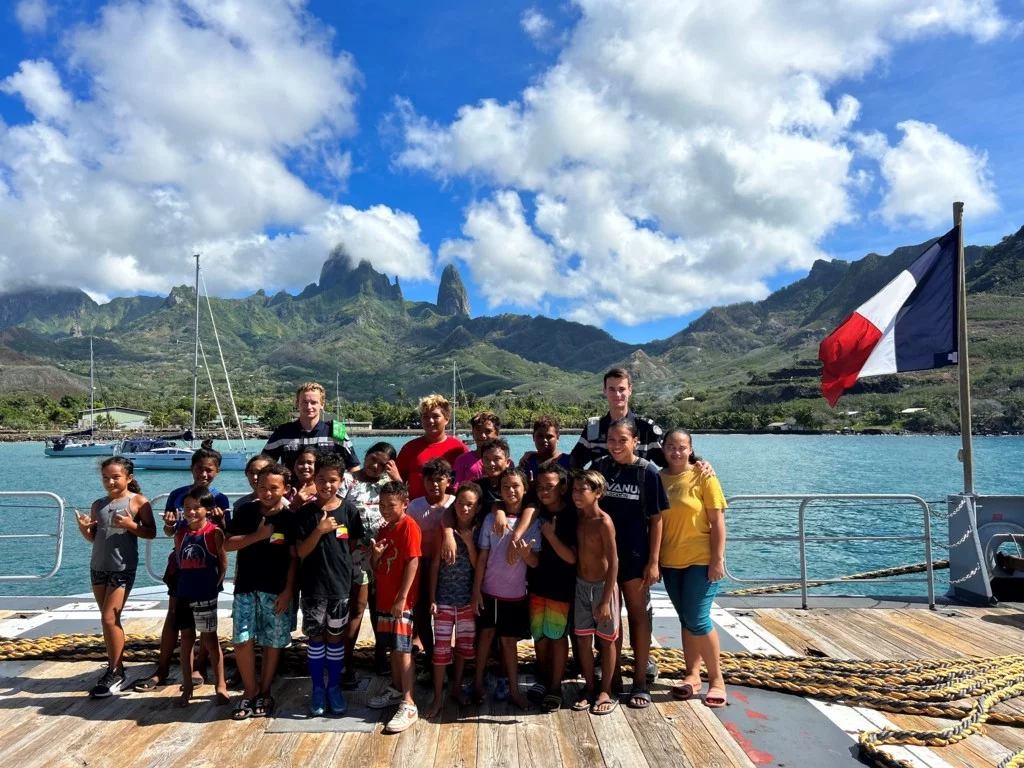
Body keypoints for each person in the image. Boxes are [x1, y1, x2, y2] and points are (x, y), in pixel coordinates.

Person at [136, 446, 230, 692]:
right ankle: (163, 668)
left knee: (205, 624)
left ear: (217, 472)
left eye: (209, 470)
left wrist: (218, 577)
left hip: (205, 570)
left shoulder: (220, 499)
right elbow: (171, 532)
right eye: (199, 469)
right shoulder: (177, 495)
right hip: (180, 568)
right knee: (174, 617)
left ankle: (199, 666)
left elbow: (223, 538)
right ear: (191, 469)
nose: (204, 474)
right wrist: (168, 526)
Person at [592, 417, 667, 710]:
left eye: (622, 440)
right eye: (611, 440)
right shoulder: (601, 468)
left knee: (638, 616)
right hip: (606, 559)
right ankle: (613, 680)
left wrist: (654, 561)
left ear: (635, 441)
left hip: (636, 557)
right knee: (611, 618)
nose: (616, 446)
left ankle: (639, 681)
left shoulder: (647, 472)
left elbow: (657, 519)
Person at [75, 456, 156, 697]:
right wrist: (83, 529)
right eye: (105, 478)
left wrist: (132, 526)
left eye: (115, 477)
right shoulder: (98, 504)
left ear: (129, 478)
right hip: (98, 566)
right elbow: (95, 538)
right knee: (106, 619)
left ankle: (116, 670)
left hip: (123, 567)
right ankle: (115, 666)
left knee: (110, 618)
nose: (110, 481)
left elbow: (150, 533)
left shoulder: (138, 502)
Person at [659, 428, 728, 708]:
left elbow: (718, 521)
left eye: (682, 447)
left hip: (701, 560)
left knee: (698, 619)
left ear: (691, 449)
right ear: (663, 449)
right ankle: (692, 675)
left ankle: (717, 680)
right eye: (671, 446)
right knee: (686, 619)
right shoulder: (657, 478)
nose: (677, 451)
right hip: (670, 561)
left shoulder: (704, 476)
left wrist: (717, 558)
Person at [224, 463, 297, 721]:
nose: (267, 492)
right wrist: (258, 535)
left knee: (271, 642)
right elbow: (227, 544)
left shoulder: (290, 518)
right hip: (246, 587)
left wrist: (288, 591)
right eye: (262, 486)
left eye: (273, 488)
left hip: (275, 590)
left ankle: (265, 690)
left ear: (286, 489)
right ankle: (249, 689)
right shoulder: (246, 511)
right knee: (242, 640)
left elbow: (293, 558)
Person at [294, 453, 365, 717]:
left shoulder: (348, 510)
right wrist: (320, 530)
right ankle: (317, 688)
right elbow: (301, 551)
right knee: (315, 639)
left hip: (339, 587)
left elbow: (353, 544)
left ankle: (333, 687)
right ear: (313, 479)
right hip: (313, 587)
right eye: (321, 479)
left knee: (335, 639)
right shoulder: (305, 513)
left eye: (332, 480)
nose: (326, 485)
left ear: (341, 480)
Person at [471, 468, 540, 710]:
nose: (511, 491)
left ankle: (514, 690)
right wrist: (476, 590)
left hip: (515, 595)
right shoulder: (492, 519)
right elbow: (482, 557)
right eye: (505, 487)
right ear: (499, 491)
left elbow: (535, 563)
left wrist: (525, 554)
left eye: (515, 486)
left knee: (509, 643)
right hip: (489, 591)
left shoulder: (533, 522)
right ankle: (477, 684)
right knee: (485, 639)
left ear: (525, 488)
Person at [339, 441, 401, 685]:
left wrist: (396, 477)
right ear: (365, 456)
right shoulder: (348, 480)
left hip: (385, 553)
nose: (376, 466)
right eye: (372, 459)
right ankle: (347, 661)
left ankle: (380, 656)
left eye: (383, 463)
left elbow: (404, 509)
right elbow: (334, 509)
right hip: (356, 555)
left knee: (381, 607)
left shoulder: (389, 484)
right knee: (358, 606)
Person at [367, 481, 421, 734]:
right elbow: (377, 567)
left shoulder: (409, 526)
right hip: (385, 599)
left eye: (391, 505)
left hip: (401, 601)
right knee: (392, 649)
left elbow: (413, 562)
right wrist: (375, 554)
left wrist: (402, 597)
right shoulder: (384, 529)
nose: (385, 509)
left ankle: (409, 703)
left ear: (405, 504)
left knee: (404, 650)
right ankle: (396, 689)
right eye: (381, 504)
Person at [424, 482, 481, 718]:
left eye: (470, 505)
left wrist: (469, 543)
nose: (464, 509)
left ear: (477, 508)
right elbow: (435, 566)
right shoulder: (444, 531)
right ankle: (438, 697)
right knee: (441, 650)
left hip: (468, 600)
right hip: (445, 599)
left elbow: (480, 567)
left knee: (464, 649)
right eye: (460, 504)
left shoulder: (479, 531)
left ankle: (456, 687)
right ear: (453, 505)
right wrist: (432, 598)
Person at [526, 460, 577, 713]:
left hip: (560, 586)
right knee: (540, 634)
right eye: (540, 487)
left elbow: (572, 557)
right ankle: (543, 678)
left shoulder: (570, 515)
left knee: (557, 637)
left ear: (563, 487)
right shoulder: (536, 511)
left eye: (550, 486)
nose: (544, 491)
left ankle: (556, 686)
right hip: (537, 582)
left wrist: (550, 536)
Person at [173, 488, 229, 707]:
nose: (191, 512)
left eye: (197, 508)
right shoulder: (181, 534)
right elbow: (179, 560)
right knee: (186, 641)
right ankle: (187, 686)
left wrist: (214, 586)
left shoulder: (214, 533)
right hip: (184, 593)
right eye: (187, 508)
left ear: (207, 510)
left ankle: (220, 685)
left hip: (205, 594)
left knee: (210, 641)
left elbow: (223, 563)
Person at [570, 470, 619, 715]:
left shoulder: (604, 521)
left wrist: (606, 600)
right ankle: (589, 686)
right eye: (575, 490)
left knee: (606, 640)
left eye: (583, 490)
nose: (577, 495)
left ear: (597, 493)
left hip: (602, 587)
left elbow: (613, 561)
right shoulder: (578, 518)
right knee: (582, 638)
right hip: (581, 585)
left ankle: (606, 689)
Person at [406, 458, 454, 665]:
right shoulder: (415, 506)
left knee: (449, 613)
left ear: (448, 481)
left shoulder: (454, 502)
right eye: (429, 480)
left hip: (450, 567)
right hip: (421, 564)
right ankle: (431, 655)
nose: (434, 484)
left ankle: (449, 655)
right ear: (423, 482)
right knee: (423, 611)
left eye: (439, 480)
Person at [570, 368, 666, 469]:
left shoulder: (646, 428)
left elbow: (671, 464)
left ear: (630, 390)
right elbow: (574, 461)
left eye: (622, 389)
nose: (617, 394)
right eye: (612, 389)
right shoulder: (594, 428)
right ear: (605, 391)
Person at [263, 382, 359, 471]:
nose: (309, 407)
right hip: (292, 488)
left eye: (314, 402)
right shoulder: (283, 432)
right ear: (297, 404)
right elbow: (263, 464)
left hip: (326, 489)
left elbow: (353, 466)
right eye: (304, 402)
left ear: (322, 404)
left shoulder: (335, 431)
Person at [394, 394, 468, 499]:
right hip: (415, 511)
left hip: (449, 511)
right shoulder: (409, 448)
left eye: (435, 416)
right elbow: (398, 483)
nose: (430, 421)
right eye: (426, 417)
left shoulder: (459, 448)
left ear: (446, 419)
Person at [519, 415, 572, 485]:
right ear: (533, 437)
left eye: (549, 436)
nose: (544, 440)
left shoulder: (569, 462)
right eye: (540, 436)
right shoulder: (526, 461)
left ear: (557, 437)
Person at [451, 411, 500, 484]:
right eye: (478, 430)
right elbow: (454, 489)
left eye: (488, 431)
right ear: (472, 433)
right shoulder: (461, 461)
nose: (483, 435)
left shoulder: (504, 462)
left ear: (497, 433)